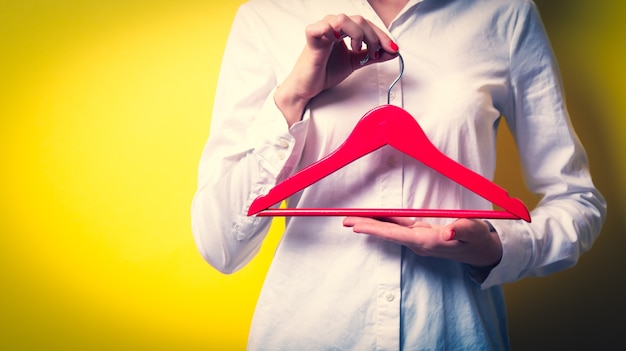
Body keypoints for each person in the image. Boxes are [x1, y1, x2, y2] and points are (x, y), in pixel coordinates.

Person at [191, 0, 606, 349]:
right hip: (307, 332)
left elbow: (578, 202)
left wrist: (495, 249)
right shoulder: (266, 15)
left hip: (453, 334)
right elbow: (219, 245)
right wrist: (293, 95)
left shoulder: (505, 14)